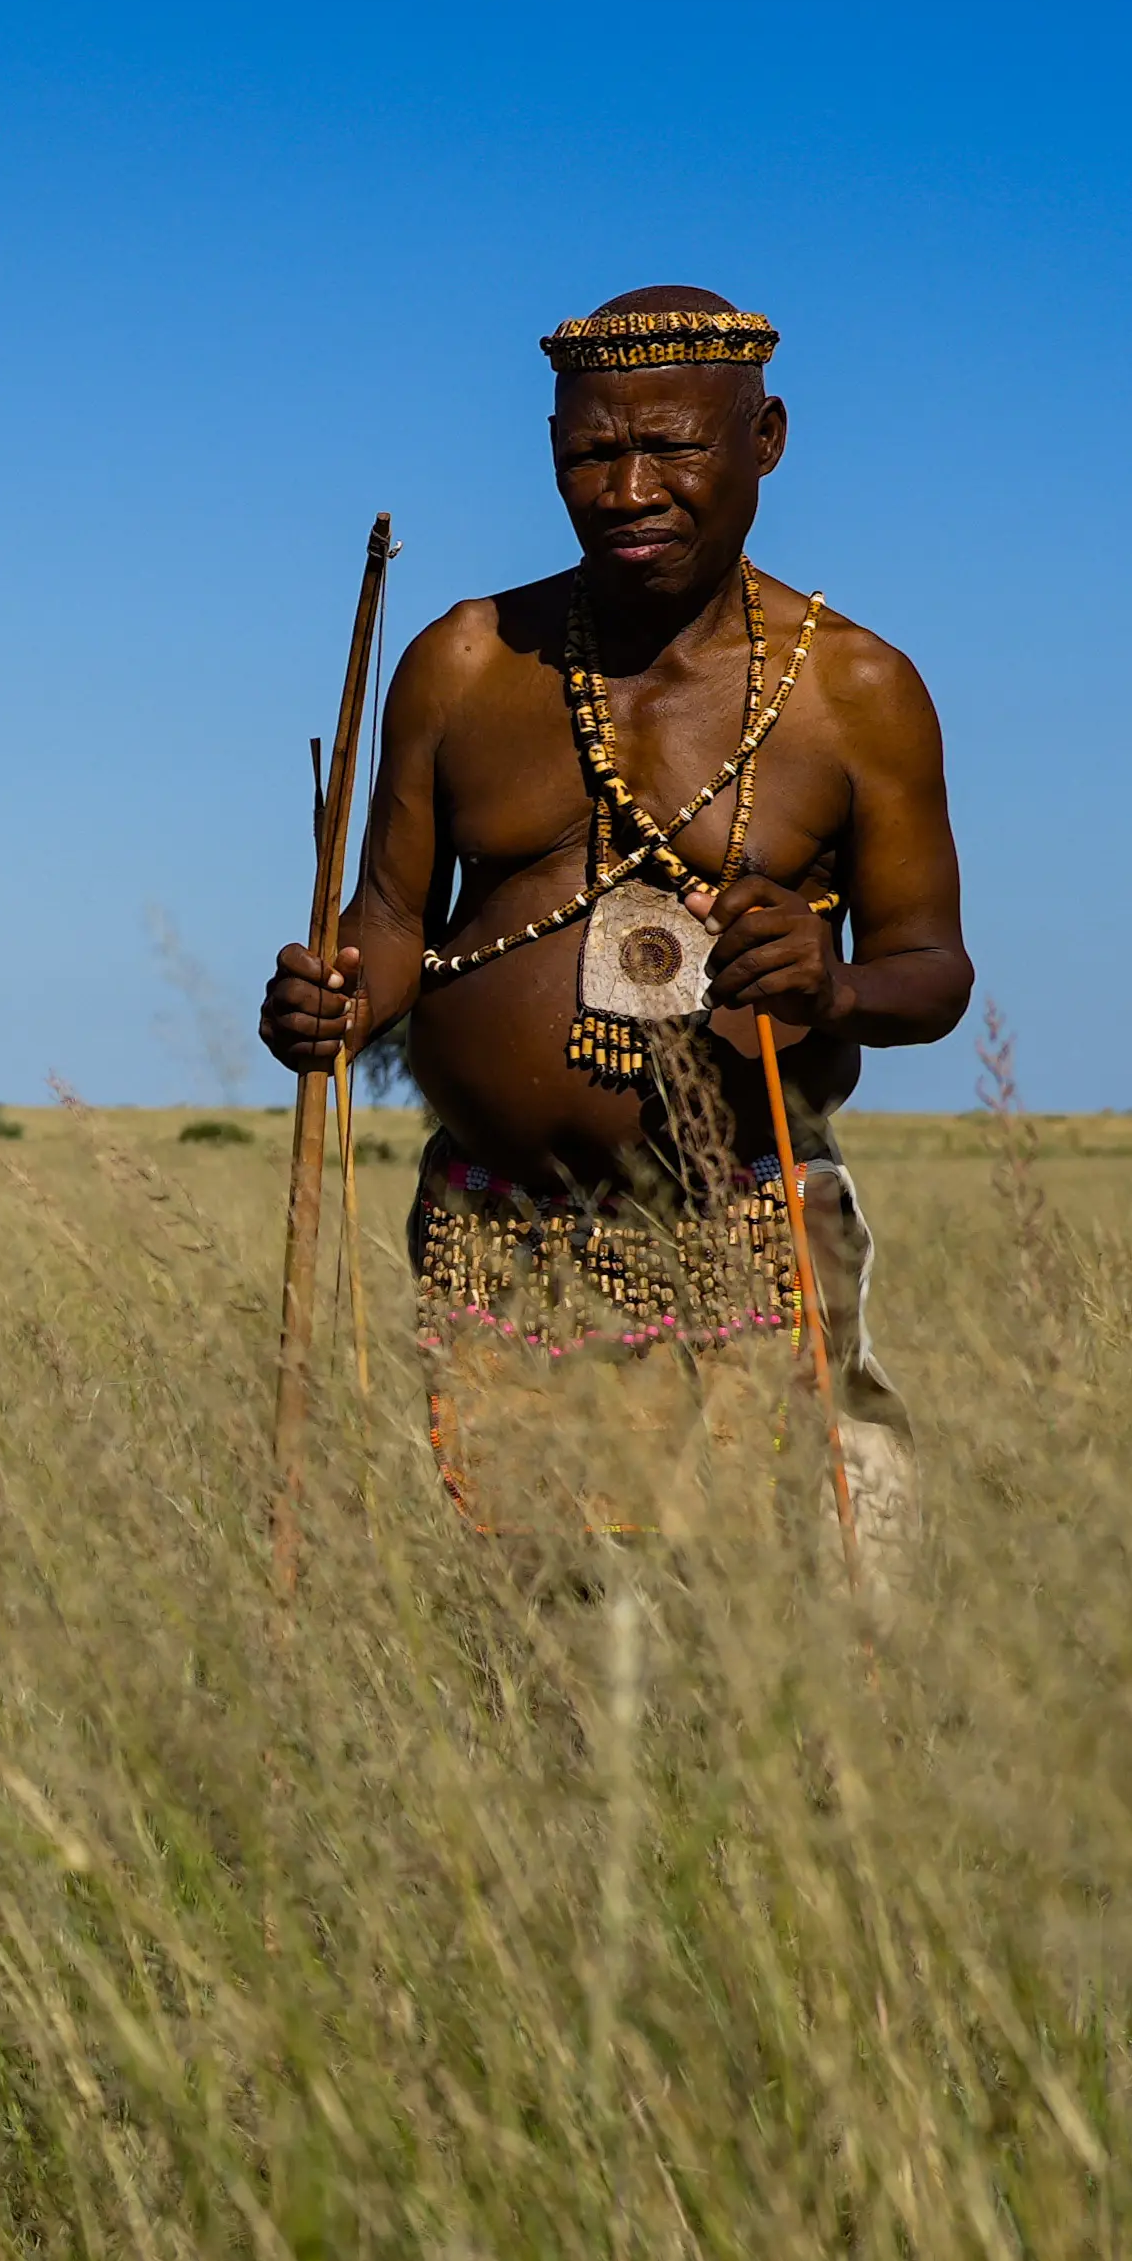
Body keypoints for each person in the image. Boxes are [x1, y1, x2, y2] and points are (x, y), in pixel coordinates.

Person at [259, 290, 965, 1554]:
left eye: (675, 448)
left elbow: (935, 971)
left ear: (767, 439)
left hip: (741, 1225)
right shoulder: (467, 660)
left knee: (763, 1620)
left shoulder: (854, 691)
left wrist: (837, 986)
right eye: (591, 454)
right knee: (540, 1620)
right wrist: (335, 1000)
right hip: (495, 1235)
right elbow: (391, 922)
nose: (630, 488)